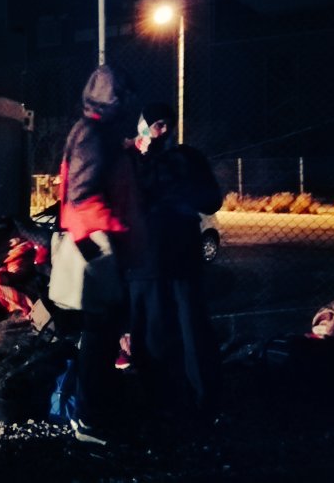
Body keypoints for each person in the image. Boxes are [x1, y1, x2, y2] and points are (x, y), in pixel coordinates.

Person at [58, 65, 140, 445]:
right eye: (122, 95)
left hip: (96, 243)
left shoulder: (94, 132)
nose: (127, 102)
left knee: (102, 335)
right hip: (97, 246)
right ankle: (88, 420)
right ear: (112, 100)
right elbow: (83, 195)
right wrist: (113, 236)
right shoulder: (92, 135)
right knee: (98, 335)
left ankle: (96, 411)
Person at [126, 102, 223, 424]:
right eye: (158, 123)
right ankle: (195, 399)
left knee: (168, 329)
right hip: (170, 255)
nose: (163, 130)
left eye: (166, 123)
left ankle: (171, 400)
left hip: (155, 258)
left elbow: (211, 201)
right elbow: (211, 200)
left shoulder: (141, 161)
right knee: (183, 326)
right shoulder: (181, 158)